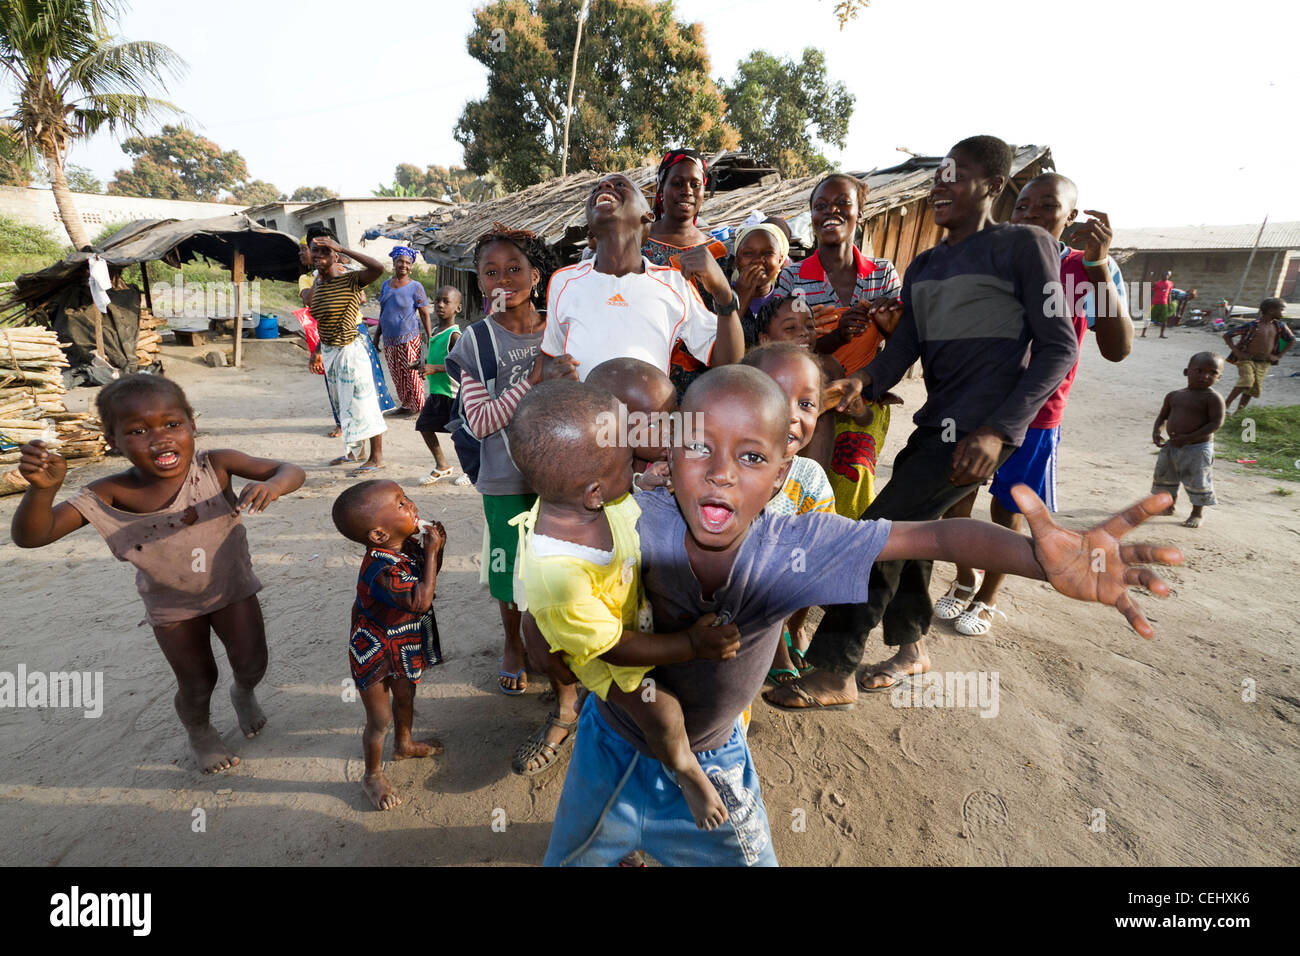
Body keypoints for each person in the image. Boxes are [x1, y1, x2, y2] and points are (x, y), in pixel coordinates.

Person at [533, 364, 1181, 866]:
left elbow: (936, 539)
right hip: (611, 740)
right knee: (574, 854)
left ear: (785, 472)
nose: (724, 474)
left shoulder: (799, 549)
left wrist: (1044, 562)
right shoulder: (629, 515)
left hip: (715, 757)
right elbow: (560, 525)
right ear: (666, 459)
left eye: (752, 457)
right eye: (701, 448)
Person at [765, 135, 1078, 709]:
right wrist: (859, 384)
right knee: (915, 531)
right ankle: (911, 649)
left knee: (881, 532)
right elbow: (899, 350)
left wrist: (999, 430)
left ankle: (835, 667)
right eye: (937, 176)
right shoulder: (926, 267)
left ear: (993, 186)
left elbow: (1058, 349)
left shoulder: (1025, 246)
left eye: (954, 176)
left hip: (981, 429)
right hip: (938, 425)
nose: (939, 187)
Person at [10, 375, 306, 773]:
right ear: (112, 441)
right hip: (172, 607)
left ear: (192, 425)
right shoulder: (108, 493)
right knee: (198, 681)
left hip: (232, 589)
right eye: (137, 431)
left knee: (252, 662)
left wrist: (275, 484)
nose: (160, 438)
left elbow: (290, 469)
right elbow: (34, 536)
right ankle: (200, 731)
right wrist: (43, 490)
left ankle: (244, 691)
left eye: (172, 424)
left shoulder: (216, 465)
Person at [509, 380, 739, 829]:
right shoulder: (561, 577)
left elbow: (626, 498)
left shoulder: (586, 501)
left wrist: (637, 481)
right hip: (605, 653)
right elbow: (616, 647)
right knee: (661, 710)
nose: (639, 464)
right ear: (594, 492)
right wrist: (691, 644)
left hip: (622, 609)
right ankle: (684, 768)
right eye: (629, 461)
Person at [933, 173, 1133, 636]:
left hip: (1037, 414)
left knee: (1009, 507)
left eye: (1047, 206)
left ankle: (987, 597)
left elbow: (1118, 348)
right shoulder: (993, 256)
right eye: (1022, 206)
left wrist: (1100, 266)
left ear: (1071, 217)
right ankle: (965, 578)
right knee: (955, 496)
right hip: (975, 402)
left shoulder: (1087, 268)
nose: (1031, 215)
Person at [542, 172, 742, 385]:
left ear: (647, 215)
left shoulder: (674, 284)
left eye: (619, 185)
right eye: (595, 190)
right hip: (581, 416)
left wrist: (723, 294)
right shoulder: (564, 282)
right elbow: (550, 355)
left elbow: (728, 362)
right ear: (589, 222)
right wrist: (551, 373)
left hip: (648, 418)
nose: (604, 187)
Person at [332, 480, 447, 809]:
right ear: (379, 535)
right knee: (379, 719)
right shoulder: (380, 569)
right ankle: (371, 775)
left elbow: (429, 578)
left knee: (406, 696)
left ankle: (405, 743)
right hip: (376, 652)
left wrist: (433, 551)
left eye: (405, 497)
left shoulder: (406, 548)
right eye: (399, 504)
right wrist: (433, 552)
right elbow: (421, 600)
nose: (410, 505)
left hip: (403, 644)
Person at [740, 344, 836, 684]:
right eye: (776, 398)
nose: (793, 415)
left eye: (806, 404)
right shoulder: (724, 469)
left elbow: (821, 541)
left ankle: (791, 630)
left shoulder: (809, 477)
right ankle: (770, 642)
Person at [773, 173, 902, 376]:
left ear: (860, 213)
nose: (831, 210)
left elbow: (902, 342)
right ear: (812, 215)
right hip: (809, 395)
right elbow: (780, 349)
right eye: (820, 206)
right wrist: (836, 336)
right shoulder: (792, 277)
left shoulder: (883, 273)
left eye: (843, 202)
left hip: (867, 395)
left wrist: (886, 325)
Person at [306, 231, 389, 476]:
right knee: (346, 405)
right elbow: (323, 321)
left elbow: (378, 268)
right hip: (331, 351)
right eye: (315, 250)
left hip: (351, 350)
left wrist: (342, 249)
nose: (318, 256)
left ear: (334, 255)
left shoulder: (350, 280)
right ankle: (355, 452)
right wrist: (319, 350)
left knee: (365, 403)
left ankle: (377, 456)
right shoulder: (318, 284)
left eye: (325, 251)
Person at [1152, 353, 1226, 528]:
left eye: (1212, 373)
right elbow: (1163, 416)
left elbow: (1216, 423)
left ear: (1219, 377)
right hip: (1173, 445)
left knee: (1198, 480)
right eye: (1199, 371)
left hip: (1197, 448)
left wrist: (1190, 438)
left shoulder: (1213, 398)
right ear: (1186, 371)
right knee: (1166, 477)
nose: (1204, 376)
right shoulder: (1174, 395)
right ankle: (1168, 506)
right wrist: (1157, 431)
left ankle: (1197, 513)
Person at [415, 285, 464, 485]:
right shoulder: (435, 330)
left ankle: (471, 469)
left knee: (461, 435)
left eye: (446, 301)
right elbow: (436, 356)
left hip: (451, 394)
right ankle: (442, 465)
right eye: (438, 300)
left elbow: (462, 365)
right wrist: (424, 365)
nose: (440, 305)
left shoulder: (455, 336)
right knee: (424, 426)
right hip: (437, 392)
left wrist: (434, 368)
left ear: (458, 308)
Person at [377, 246, 431, 415]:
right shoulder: (386, 285)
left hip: (409, 338)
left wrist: (431, 338)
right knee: (396, 374)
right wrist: (376, 336)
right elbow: (383, 312)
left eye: (408, 262)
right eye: (400, 261)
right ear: (394, 262)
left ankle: (420, 408)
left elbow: (424, 314)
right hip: (389, 339)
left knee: (412, 374)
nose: (404, 265)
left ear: (411, 266)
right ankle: (406, 405)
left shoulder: (416, 287)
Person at [1223, 298, 1295, 413]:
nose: (1283, 313)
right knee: (1247, 380)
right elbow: (1228, 335)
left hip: (1264, 362)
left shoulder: (1280, 326)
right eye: (1281, 310)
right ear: (1271, 310)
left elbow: (1291, 340)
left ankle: (1239, 412)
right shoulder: (1252, 325)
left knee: (1252, 388)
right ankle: (1226, 405)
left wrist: (1278, 356)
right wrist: (1237, 352)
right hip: (1246, 359)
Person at [731, 223, 789, 347]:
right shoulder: (719, 297)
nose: (758, 260)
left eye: (768, 253)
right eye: (748, 253)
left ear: (780, 260)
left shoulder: (786, 301)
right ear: (736, 261)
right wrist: (740, 299)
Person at [1143, 271, 1174, 338]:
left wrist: (1170, 304)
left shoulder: (1170, 283)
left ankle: (1161, 334)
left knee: (1164, 320)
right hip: (1155, 303)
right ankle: (1143, 333)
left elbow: (1169, 294)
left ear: (1169, 276)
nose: (1166, 276)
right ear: (1162, 275)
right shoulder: (1157, 284)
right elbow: (1151, 292)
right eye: (1164, 274)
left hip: (1164, 304)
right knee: (1148, 318)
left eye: (1167, 275)